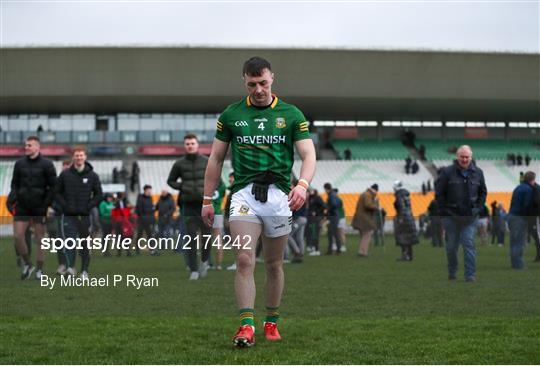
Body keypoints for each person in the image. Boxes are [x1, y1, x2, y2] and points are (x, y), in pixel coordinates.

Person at [200, 56, 316, 347]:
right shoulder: (230, 115)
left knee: (274, 263)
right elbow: (215, 158)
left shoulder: (291, 114)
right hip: (244, 195)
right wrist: (206, 199)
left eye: (263, 83)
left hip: (279, 197)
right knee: (243, 259)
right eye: (252, 84)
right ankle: (246, 326)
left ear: (272, 78)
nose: (259, 89)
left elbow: (308, 155)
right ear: (244, 82)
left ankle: (271, 321)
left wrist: (302, 185)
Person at [435, 145, 487, 282]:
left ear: (471, 157)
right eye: (462, 157)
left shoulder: (479, 173)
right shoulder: (446, 172)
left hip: (470, 217)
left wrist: (478, 208)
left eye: (467, 157)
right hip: (450, 216)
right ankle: (452, 271)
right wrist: (444, 213)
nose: (465, 159)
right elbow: (439, 194)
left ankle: (470, 275)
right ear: (457, 157)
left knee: (468, 243)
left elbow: (483, 193)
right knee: (451, 247)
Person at [8, 136, 57, 280]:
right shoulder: (19, 164)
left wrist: (46, 204)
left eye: (29, 145)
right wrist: (12, 200)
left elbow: (53, 187)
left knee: (40, 239)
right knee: (18, 236)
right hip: (22, 206)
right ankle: (28, 264)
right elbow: (14, 184)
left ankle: (40, 270)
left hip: (39, 208)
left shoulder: (47, 164)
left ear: (37, 147)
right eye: (26, 145)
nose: (26, 147)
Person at [168, 133, 211, 280]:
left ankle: (204, 262)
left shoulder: (206, 161)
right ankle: (193, 270)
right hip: (188, 206)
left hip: (204, 205)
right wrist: (183, 186)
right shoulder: (179, 164)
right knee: (191, 239)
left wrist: (209, 192)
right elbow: (170, 181)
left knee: (206, 237)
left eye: (192, 143)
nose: (190, 146)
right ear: (184, 146)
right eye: (187, 144)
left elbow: (215, 178)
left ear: (197, 145)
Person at [55, 148, 102, 278]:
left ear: (85, 157)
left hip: (84, 216)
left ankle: (84, 271)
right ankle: (70, 268)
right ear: (73, 158)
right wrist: (64, 206)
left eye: (81, 155)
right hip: (68, 215)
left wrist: (89, 206)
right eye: (76, 156)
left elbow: (99, 195)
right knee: (69, 243)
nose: (79, 158)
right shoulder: (65, 174)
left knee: (84, 244)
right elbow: (56, 192)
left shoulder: (93, 175)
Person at [507, 171, 535, 269]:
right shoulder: (528, 189)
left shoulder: (518, 187)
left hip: (511, 215)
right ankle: (519, 264)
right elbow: (526, 205)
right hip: (519, 217)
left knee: (513, 242)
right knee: (519, 242)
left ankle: (514, 263)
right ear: (532, 180)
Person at [393, 181, 419, 261]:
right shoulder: (406, 195)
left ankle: (405, 255)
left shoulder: (399, 195)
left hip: (403, 218)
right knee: (409, 238)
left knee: (403, 237)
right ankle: (409, 255)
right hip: (409, 217)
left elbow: (401, 207)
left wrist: (400, 218)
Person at [352, 184, 379, 257]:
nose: (376, 193)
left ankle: (362, 251)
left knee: (363, 235)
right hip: (365, 218)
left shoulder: (365, 194)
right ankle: (362, 252)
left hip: (361, 218)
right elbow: (368, 205)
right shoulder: (368, 195)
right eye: (376, 191)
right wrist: (377, 207)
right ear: (374, 190)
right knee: (367, 235)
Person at [135, 184, 155, 255]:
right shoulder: (140, 198)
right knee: (139, 234)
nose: (150, 191)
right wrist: (143, 216)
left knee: (150, 235)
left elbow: (152, 209)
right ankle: (137, 250)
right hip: (142, 220)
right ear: (146, 190)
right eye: (149, 190)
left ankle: (152, 250)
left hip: (149, 219)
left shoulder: (150, 198)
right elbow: (138, 209)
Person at [211, 179, 226, 269]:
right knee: (218, 239)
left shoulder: (206, 182)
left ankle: (205, 262)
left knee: (203, 238)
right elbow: (223, 195)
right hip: (217, 213)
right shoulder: (222, 185)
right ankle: (219, 264)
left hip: (207, 213)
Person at [324, 183, 343, 255]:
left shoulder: (331, 195)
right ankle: (337, 249)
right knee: (334, 233)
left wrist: (328, 209)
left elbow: (333, 204)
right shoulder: (335, 194)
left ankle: (331, 250)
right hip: (335, 216)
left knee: (331, 233)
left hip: (333, 216)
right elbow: (340, 203)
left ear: (326, 189)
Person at [306, 188, 325, 256]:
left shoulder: (317, 198)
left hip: (316, 219)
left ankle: (317, 250)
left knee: (315, 233)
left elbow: (323, 206)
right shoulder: (311, 198)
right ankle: (314, 248)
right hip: (312, 219)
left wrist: (316, 212)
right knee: (312, 233)